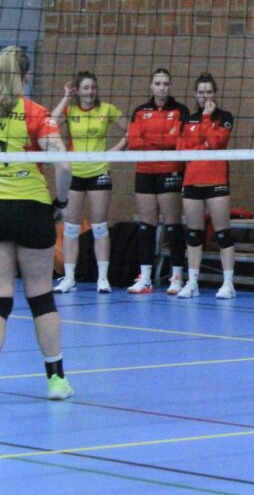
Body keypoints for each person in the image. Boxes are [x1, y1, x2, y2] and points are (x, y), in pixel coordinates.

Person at [0, 46, 74, 400]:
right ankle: (56, 380)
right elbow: (64, 165)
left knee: (1, 297)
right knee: (41, 296)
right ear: (26, 76)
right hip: (32, 208)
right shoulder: (35, 112)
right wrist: (61, 203)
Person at [51, 71, 128, 294]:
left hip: (99, 172)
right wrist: (66, 98)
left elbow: (132, 130)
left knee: (100, 226)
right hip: (75, 173)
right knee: (71, 227)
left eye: (93, 87)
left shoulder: (106, 110)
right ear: (78, 90)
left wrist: (114, 151)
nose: (90, 92)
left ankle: (103, 279)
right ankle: (69, 278)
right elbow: (51, 123)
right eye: (86, 88)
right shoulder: (71, 110)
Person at [125, 68, 189, 294]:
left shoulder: (180, 110)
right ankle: (145, 278)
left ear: (170, 86)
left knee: (173, 224)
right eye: (158, 83)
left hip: (170, 170)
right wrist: (164, 140)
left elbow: (179, 141)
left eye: (165, 84)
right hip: (145, 170)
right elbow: (134, 142)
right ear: (151, 86)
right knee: (146, 225)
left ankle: (176, 277)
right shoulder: (140, 111)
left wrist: (151, 140)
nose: (162, 88)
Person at [176, 73, 236, 299]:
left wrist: (206, 119)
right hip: (192, 181)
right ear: (195, 94)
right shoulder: (187, 119)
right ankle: (192, 282)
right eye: (201, 92)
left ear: (215, 93)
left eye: (209, 92)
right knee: (193, 234)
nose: (205, 96)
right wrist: (203, 146)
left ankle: (228, 284)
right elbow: (182, 150)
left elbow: (216, 142)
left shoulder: (224, 117)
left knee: (222, 233)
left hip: (216, 181)